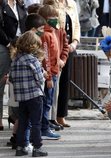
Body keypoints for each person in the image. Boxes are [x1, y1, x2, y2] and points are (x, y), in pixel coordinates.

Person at [9, 30, 48, 157]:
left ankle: (21, 147)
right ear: (33, 46)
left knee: (23, 122)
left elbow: (12, 78)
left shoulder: (15, 60)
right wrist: (43, 73)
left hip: (21, 98)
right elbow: (40, 79)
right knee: (36, 123)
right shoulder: (33, 60)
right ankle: (37, 148)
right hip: (35, 96)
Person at [38, 4, 69, 137]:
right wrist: (49, 77)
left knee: (48, 101)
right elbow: (46, 57)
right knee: (46, 102)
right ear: (45, 19)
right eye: (53, 17)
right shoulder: (45, 34)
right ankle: (44, 128)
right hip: (49, 74)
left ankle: (44, 125)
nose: (56, 19)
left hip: (55, 72)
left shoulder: (53, 31)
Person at [51, 0, 80, 127]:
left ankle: (61, 115)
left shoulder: (72, 3)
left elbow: (77, 24)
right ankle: (51, 117)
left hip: (69, 46)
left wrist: (75, 42)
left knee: (65, 82)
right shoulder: (50, 2)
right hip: (55, 44)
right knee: (54, 81)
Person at [0, 0, 27, 130]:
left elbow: (24, 26)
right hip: (4, 46)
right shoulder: (1, 5)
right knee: (1, 82)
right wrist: (8, 43)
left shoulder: (20, 5)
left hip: (19, 47)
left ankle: (14, 118)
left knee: (16, 84)